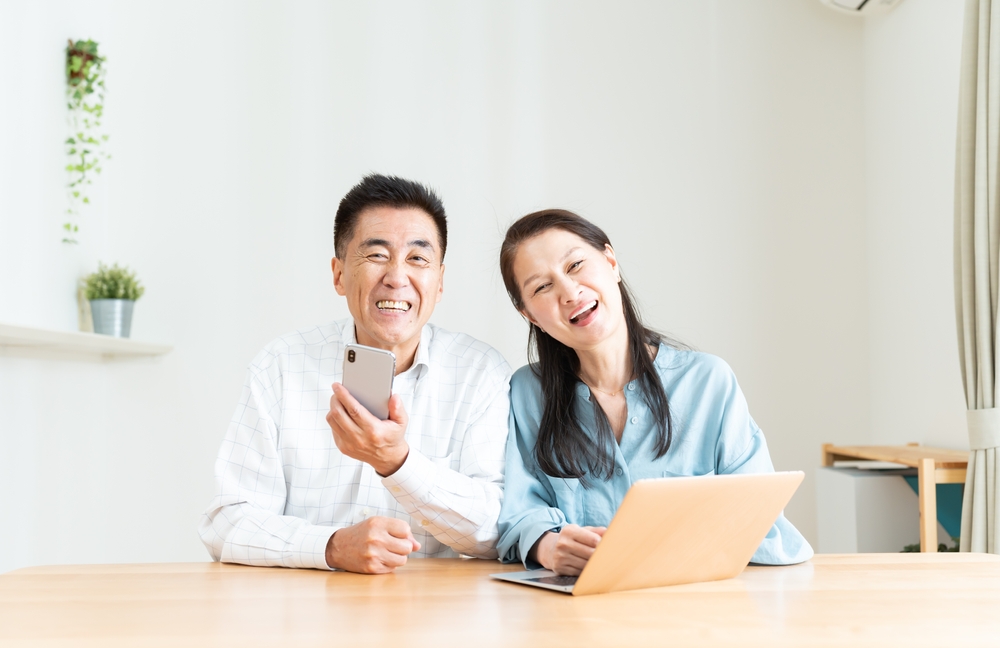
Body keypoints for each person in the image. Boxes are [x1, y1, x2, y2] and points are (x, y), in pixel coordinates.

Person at [198, 174, 511, 574]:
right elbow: (226, 523)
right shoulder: (281, 365)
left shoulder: (480, 372)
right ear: (339, 274)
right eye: (377, 255)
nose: (397, 278)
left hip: (430, 619)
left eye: (417, 258)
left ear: (440, 281)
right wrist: (329, 547)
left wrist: (397, 462)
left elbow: (496, 529)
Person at [495, 209, 812, 575]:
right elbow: (518, 515)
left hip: (695, 608)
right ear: (530, 315)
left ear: (610, 261)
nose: (569, 292)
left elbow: (765, 526)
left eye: (576, 265)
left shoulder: (709, 383)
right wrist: (548, 546)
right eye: (542, 287)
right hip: (574, 610)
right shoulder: (525, 394)